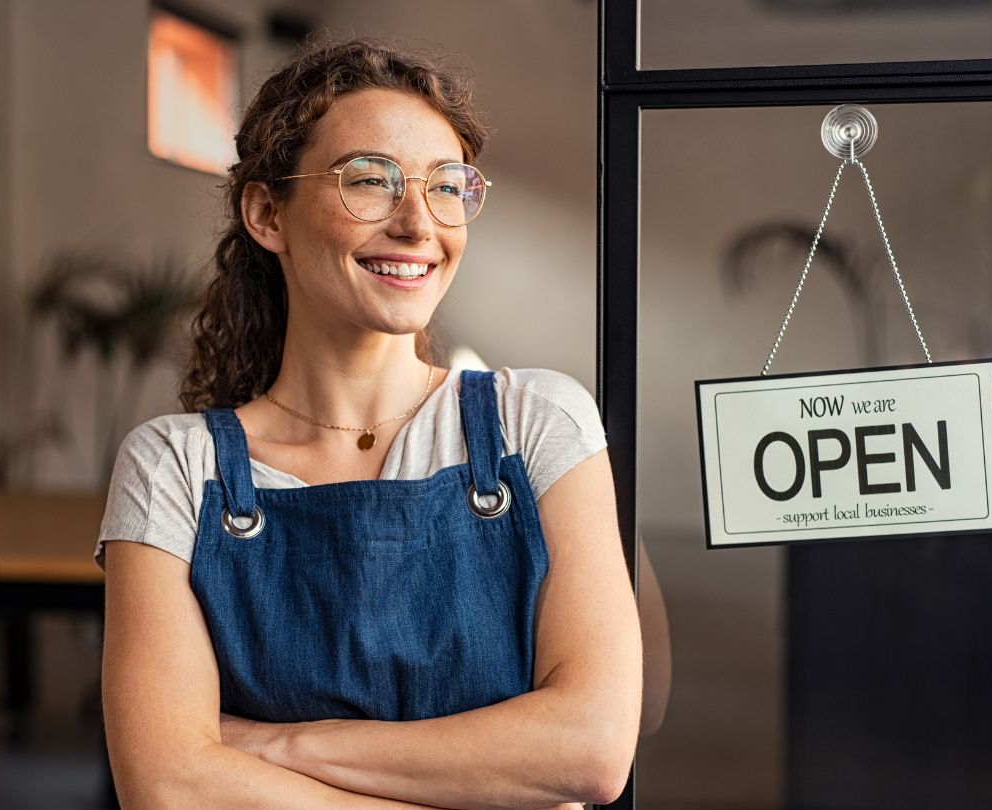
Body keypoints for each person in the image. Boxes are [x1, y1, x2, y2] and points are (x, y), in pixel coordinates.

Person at [97, 38, 642, 808]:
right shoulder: (176, 468)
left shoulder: (538, 422)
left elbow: (590, 747)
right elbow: (170, 786)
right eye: (370, 182)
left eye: (447, 186)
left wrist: (273, 746)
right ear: (265, 212)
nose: (419, 225)